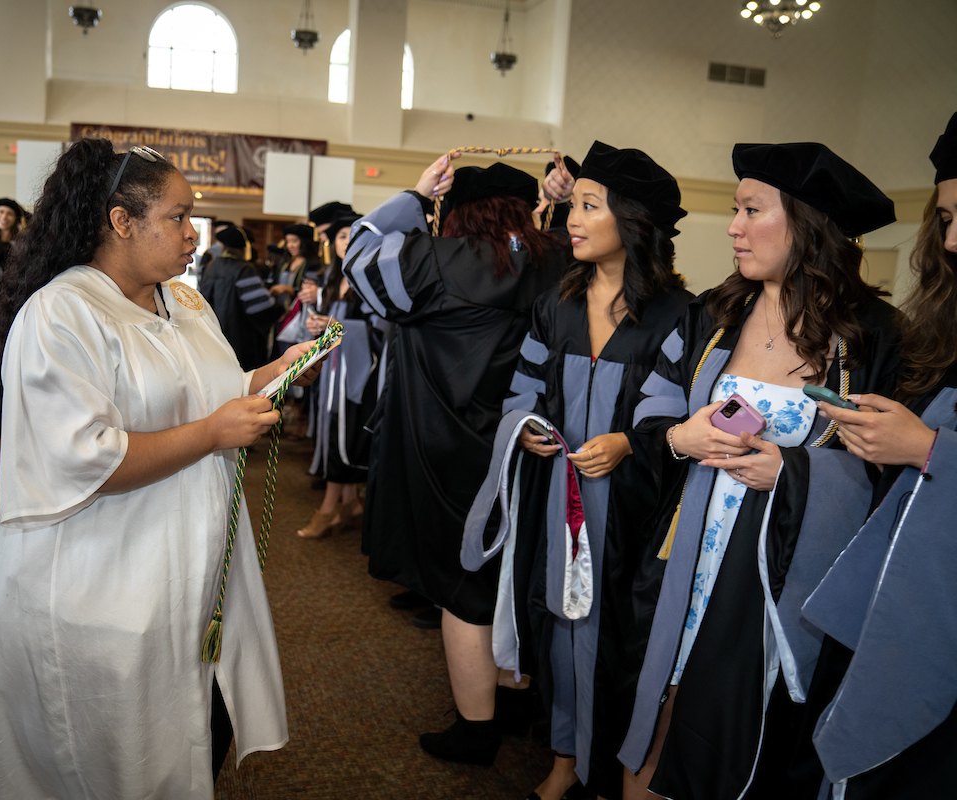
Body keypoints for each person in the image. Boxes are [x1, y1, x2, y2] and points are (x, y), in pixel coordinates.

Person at [0, 138, 320, 799]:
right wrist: (215, 431)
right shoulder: (63, 314)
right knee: (112, 760)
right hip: (102, 582)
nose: (195, 234)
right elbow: (87, 455)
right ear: (120, 221)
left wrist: (264, 380)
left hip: (192, 571)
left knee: (198, 727)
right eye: (179, 217)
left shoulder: (184, 304)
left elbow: (203, 394)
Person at [618, 143, 901, 800]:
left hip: (775, 577)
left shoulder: (873, 337)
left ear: (807, 225)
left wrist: (798, 473)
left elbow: (893, 479)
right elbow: (646, 419)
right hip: (683, 554)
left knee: (738, 736)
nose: (733, 226)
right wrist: (683, 436)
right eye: (735, 209)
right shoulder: (711, 318)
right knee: (654, 713)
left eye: (751, 210)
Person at [464, 142, 692, 798]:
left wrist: (627, 440)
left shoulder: (677, 316)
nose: (573, 217)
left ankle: (615, 767)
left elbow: (671, 410)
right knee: (560, 632)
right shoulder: (555, 305)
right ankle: (564, 756)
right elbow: (523, 387)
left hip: (629, 511)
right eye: (575, 204)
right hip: (557, 499)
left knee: (617, 640)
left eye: (590, 206)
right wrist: (527, 427)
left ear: (633, 222)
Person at [343, 153, 565, 764]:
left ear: (458, 211)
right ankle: (517, 699)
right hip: (532, 445)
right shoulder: (560, 265)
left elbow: (357, 255)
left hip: (450, 448)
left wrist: (414, 198)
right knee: (514, 573)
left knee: (462, 589)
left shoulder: (433, 261)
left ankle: (476, 728)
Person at [792, 111, 957, 800]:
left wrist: (926, 448)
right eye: (946, 219)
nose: (956, 239)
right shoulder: (944, 324)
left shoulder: (878, 328)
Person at [297, 213, 384, 538]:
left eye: (352, 235)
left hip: (359, 373)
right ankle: (350, 503)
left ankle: (329, 507)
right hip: (333, 371)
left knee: (343, 434)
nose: (346, 242)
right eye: (341, 237)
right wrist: (319, 324)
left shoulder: (371, 277)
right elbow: (332, 326)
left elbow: (381, 332)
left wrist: (336, 327)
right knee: (334, 429)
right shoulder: (335, 277)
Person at [197, 225, 280, 370]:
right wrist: (280, 308)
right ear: (243, 248)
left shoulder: (211, 265)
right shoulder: (244, 269)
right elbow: (260, 309)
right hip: (239, 339)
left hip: (213, 335)